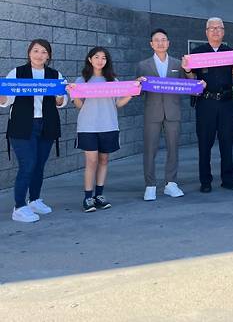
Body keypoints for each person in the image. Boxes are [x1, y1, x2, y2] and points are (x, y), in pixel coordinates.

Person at [1, 39, 68, 223]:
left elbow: (61, 103)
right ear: (29, 53)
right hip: (22, 126)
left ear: (49, 56)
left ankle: (34, 200)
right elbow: (6, 101)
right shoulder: (17, 73)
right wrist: (2, 92)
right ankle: (19, 207)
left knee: (39, 165)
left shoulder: (55, 75)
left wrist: (60, 94)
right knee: (28, 164)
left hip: (46, 125)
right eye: (36, 51)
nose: (39, 55)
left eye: (44, 52)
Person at [68, 47, 135, 212]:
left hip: (109, 125)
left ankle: (99, 195)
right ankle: (88, 197)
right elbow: (79, 106)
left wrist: (131, 94)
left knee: (104, 160)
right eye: (96, 57)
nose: (100, 60)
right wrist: (73, 95)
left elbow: (117, 104)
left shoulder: (113, 80)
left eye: (103, 58)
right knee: (91, 161)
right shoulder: (82, 80)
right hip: (88, 126)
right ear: (90, 59)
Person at [184, 17, 233, 193]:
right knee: (204, 144)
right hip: (205, 103)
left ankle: (228, 179)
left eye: (219, 28)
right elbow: (191, 79)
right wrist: (187, 70)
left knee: (227, 143)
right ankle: (205, 180)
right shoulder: (197, 53)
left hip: (226, 103)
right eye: (212, 28)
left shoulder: (231, 53)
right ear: (206, 32)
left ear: (224, 31)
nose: (216, 31)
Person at [137, 28, 193, 201]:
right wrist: (137, 84)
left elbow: (189, 84)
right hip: (152, 112)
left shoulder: (178, 64)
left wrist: (189, 70)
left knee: (173, 148)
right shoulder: (143, 65)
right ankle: (150, 185)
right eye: (157, 40)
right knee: (150, 150)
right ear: (151, 44)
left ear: (168, 43)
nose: (160, 43)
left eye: (163, 40)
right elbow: (138, 92)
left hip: (173, 111)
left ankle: (171, 183)